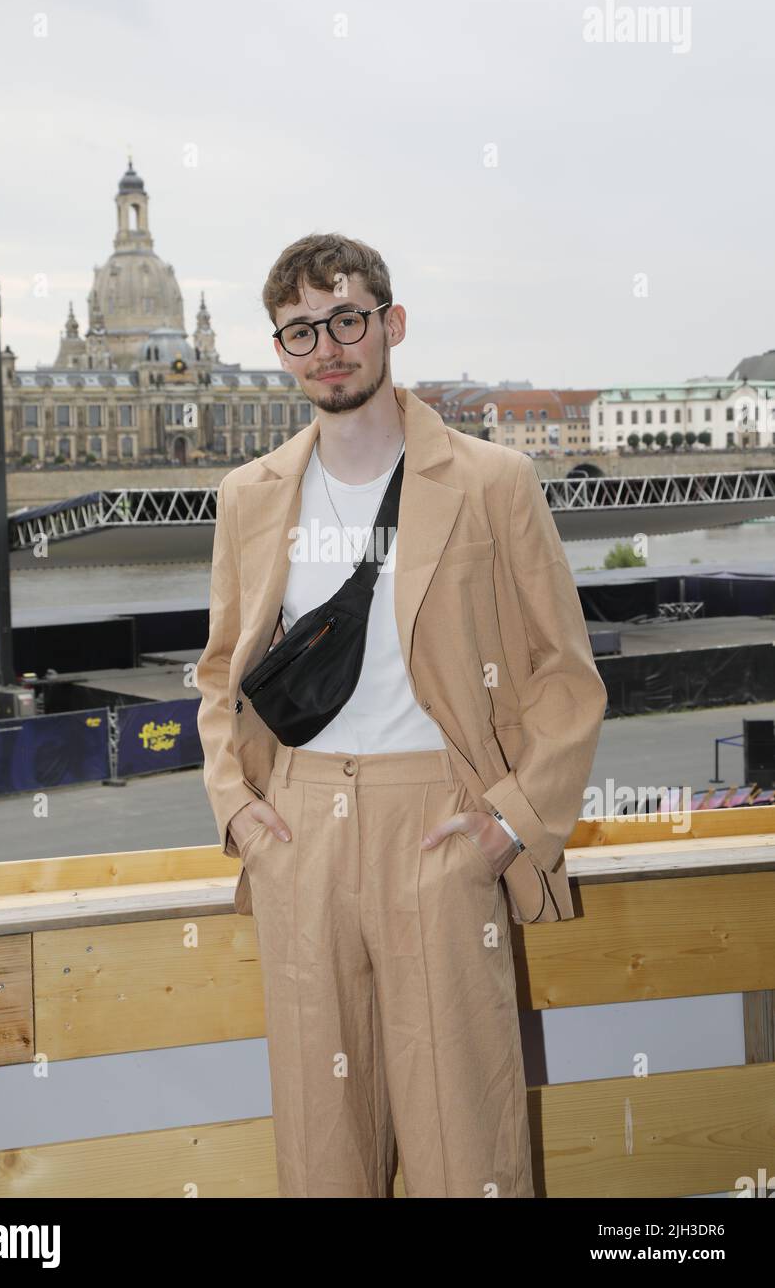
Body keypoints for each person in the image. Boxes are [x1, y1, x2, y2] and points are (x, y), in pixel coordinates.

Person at [196, 232, 608, 1198]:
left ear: (392, 324)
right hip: (298, 828)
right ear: (281, 349)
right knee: (320, 1139)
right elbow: (220, 676)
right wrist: (239, 810)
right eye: (301, 330)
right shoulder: (249, 498)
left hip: (440, 821)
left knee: (467, 1136)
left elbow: (566, 673)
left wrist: (506, 823)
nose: (327, 347)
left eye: (346, 318)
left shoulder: (492, 482)